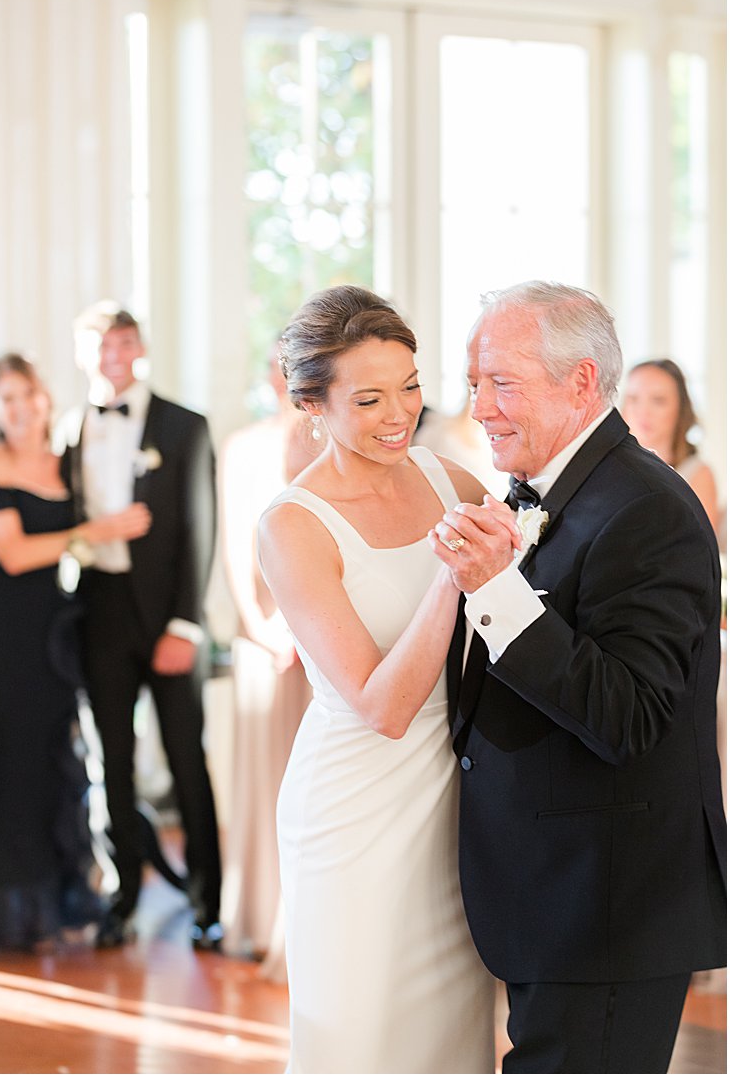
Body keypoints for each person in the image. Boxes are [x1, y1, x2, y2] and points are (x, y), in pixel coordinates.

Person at [432, 282, 726, 1073]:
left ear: (582, 382)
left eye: (502, 382)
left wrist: (494, 588)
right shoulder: (545, 493)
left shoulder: (647, 510)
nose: (481, 407)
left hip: (608, 908)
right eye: (473, 384)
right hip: (552, 892)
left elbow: (628, 714)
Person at [258, 285, 498, 1072]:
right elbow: (382, 706)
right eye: (368, 398)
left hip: (451, 805)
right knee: (357, 1042)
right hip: (353, 813)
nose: (400, 413)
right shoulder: (292, 525)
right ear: (311, 403)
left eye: (410, 386)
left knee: (448, 1045)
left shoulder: (446, 478)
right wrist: (449, 577)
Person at [0, 352, 150, 952]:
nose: (20, 409)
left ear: (46, 398)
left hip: (54, 625)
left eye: (28, 395)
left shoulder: (67, 461)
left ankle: (57, 898)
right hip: (4, 628)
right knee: (8, 758)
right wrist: (94, 534)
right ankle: (7, 909)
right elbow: (15, 554)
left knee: (53, 754)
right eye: (6, 400)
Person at [59, 303, 222, 951]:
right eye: (100, 343)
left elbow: (199, 529)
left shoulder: (186, 426)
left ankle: (209, 905)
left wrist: (186, 622)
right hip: (96, 609)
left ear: (141, 347)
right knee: (112, 763)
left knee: (188, 759)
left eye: (124, 341)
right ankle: (121, 896)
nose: (113, 353)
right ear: (83, 353)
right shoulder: (67, 429)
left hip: (167, 613)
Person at [215, 340, 318, 976]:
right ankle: (259, 916)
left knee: (315, 783)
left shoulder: (337, 441)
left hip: (327, 638)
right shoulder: (241, 446)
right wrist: (261, 628)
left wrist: (310, 632)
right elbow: (234, 547)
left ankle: (309, 924)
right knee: (267, 780)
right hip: (265, 641)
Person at [622, 357, 720, 539]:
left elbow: (700, 549)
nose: (643, 411)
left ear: (680, 408)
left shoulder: (698, 475)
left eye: (658, 401)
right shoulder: (610, 469)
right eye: (633, 399)